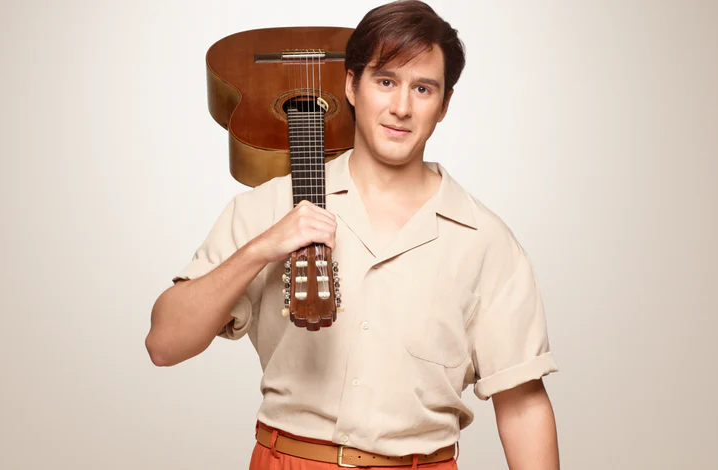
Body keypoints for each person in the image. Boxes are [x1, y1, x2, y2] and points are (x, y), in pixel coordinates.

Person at [146, 1, 560, 468]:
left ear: (444, 105)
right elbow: (164, 344)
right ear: (351, 86)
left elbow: (523, 405)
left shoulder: (485, 239)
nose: (401, 107)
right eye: (385, 82)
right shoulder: (269, 207)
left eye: (423, 88)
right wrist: (261, 249)